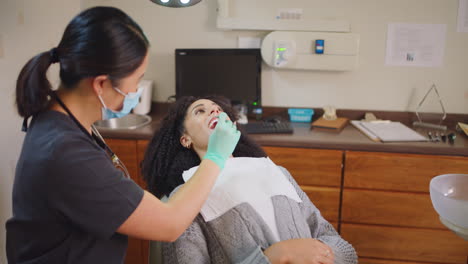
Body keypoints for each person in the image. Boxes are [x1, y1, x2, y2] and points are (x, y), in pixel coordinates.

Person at [6, 7, 240, 264]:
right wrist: (216, 156)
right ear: (101, 84)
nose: (137, 90)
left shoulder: (62, 121)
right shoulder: (65, 152)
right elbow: (171, 225)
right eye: (136, 80)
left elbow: (115, 194)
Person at [142, 96, 358, 264]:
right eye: (200, 111)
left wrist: (320, 252)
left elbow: (342, 248)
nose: (214, 111)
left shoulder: (277, 173)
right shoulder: (186, 197)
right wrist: (273, 258)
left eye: (218, 108)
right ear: (185, 139)